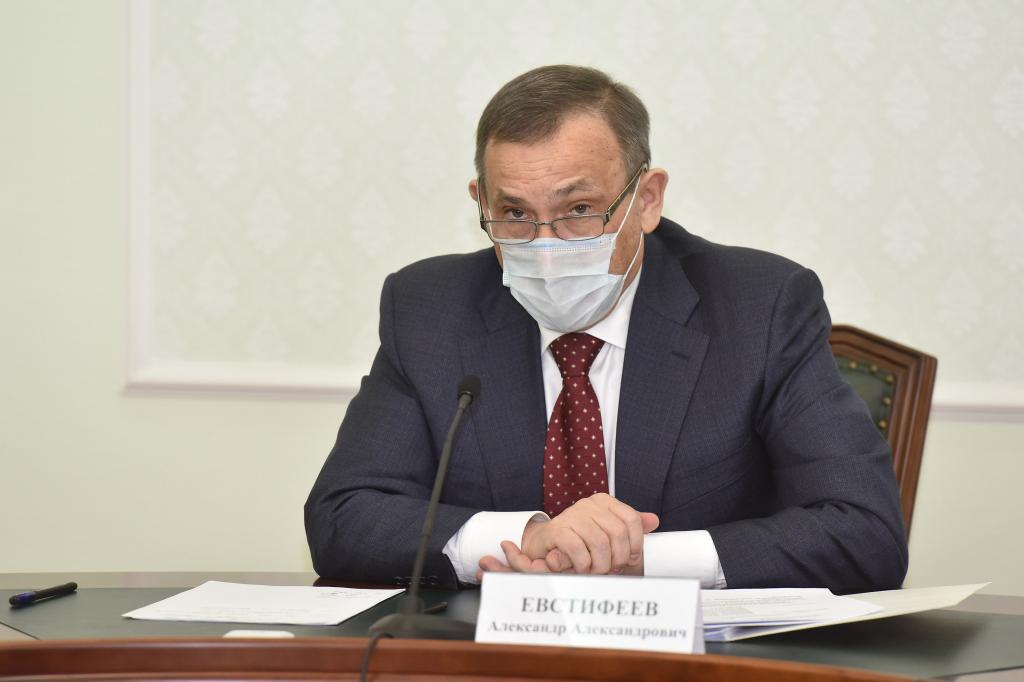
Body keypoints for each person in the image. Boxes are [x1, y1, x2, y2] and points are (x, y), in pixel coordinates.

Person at [304, 65, 908, 593]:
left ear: (646, 199)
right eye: (514, 213)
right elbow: (342, 517)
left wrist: (642, 559)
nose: (544, 246)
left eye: (578, 210)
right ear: (479, 202)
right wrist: (526, 538)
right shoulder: (430, 309)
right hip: (494, 654)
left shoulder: (758, 306)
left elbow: (865, 532)